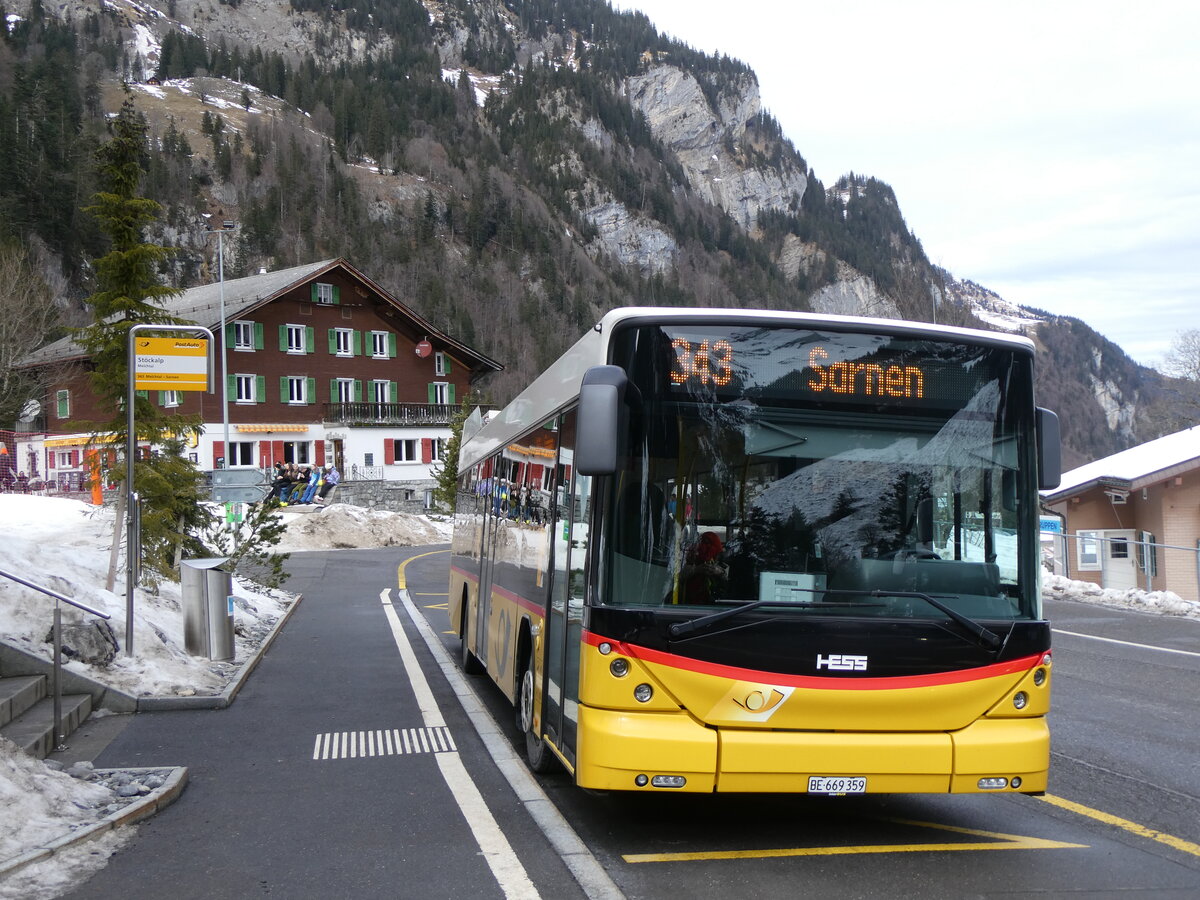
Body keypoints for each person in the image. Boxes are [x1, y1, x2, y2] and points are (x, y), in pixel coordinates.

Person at [682, 532, 728, 604]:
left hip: (713, 606)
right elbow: (678, 575)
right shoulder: (690, 559)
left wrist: (720, 573)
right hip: (689, 606)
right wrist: (696, 569)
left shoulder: (720, 563)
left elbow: (728, 582)